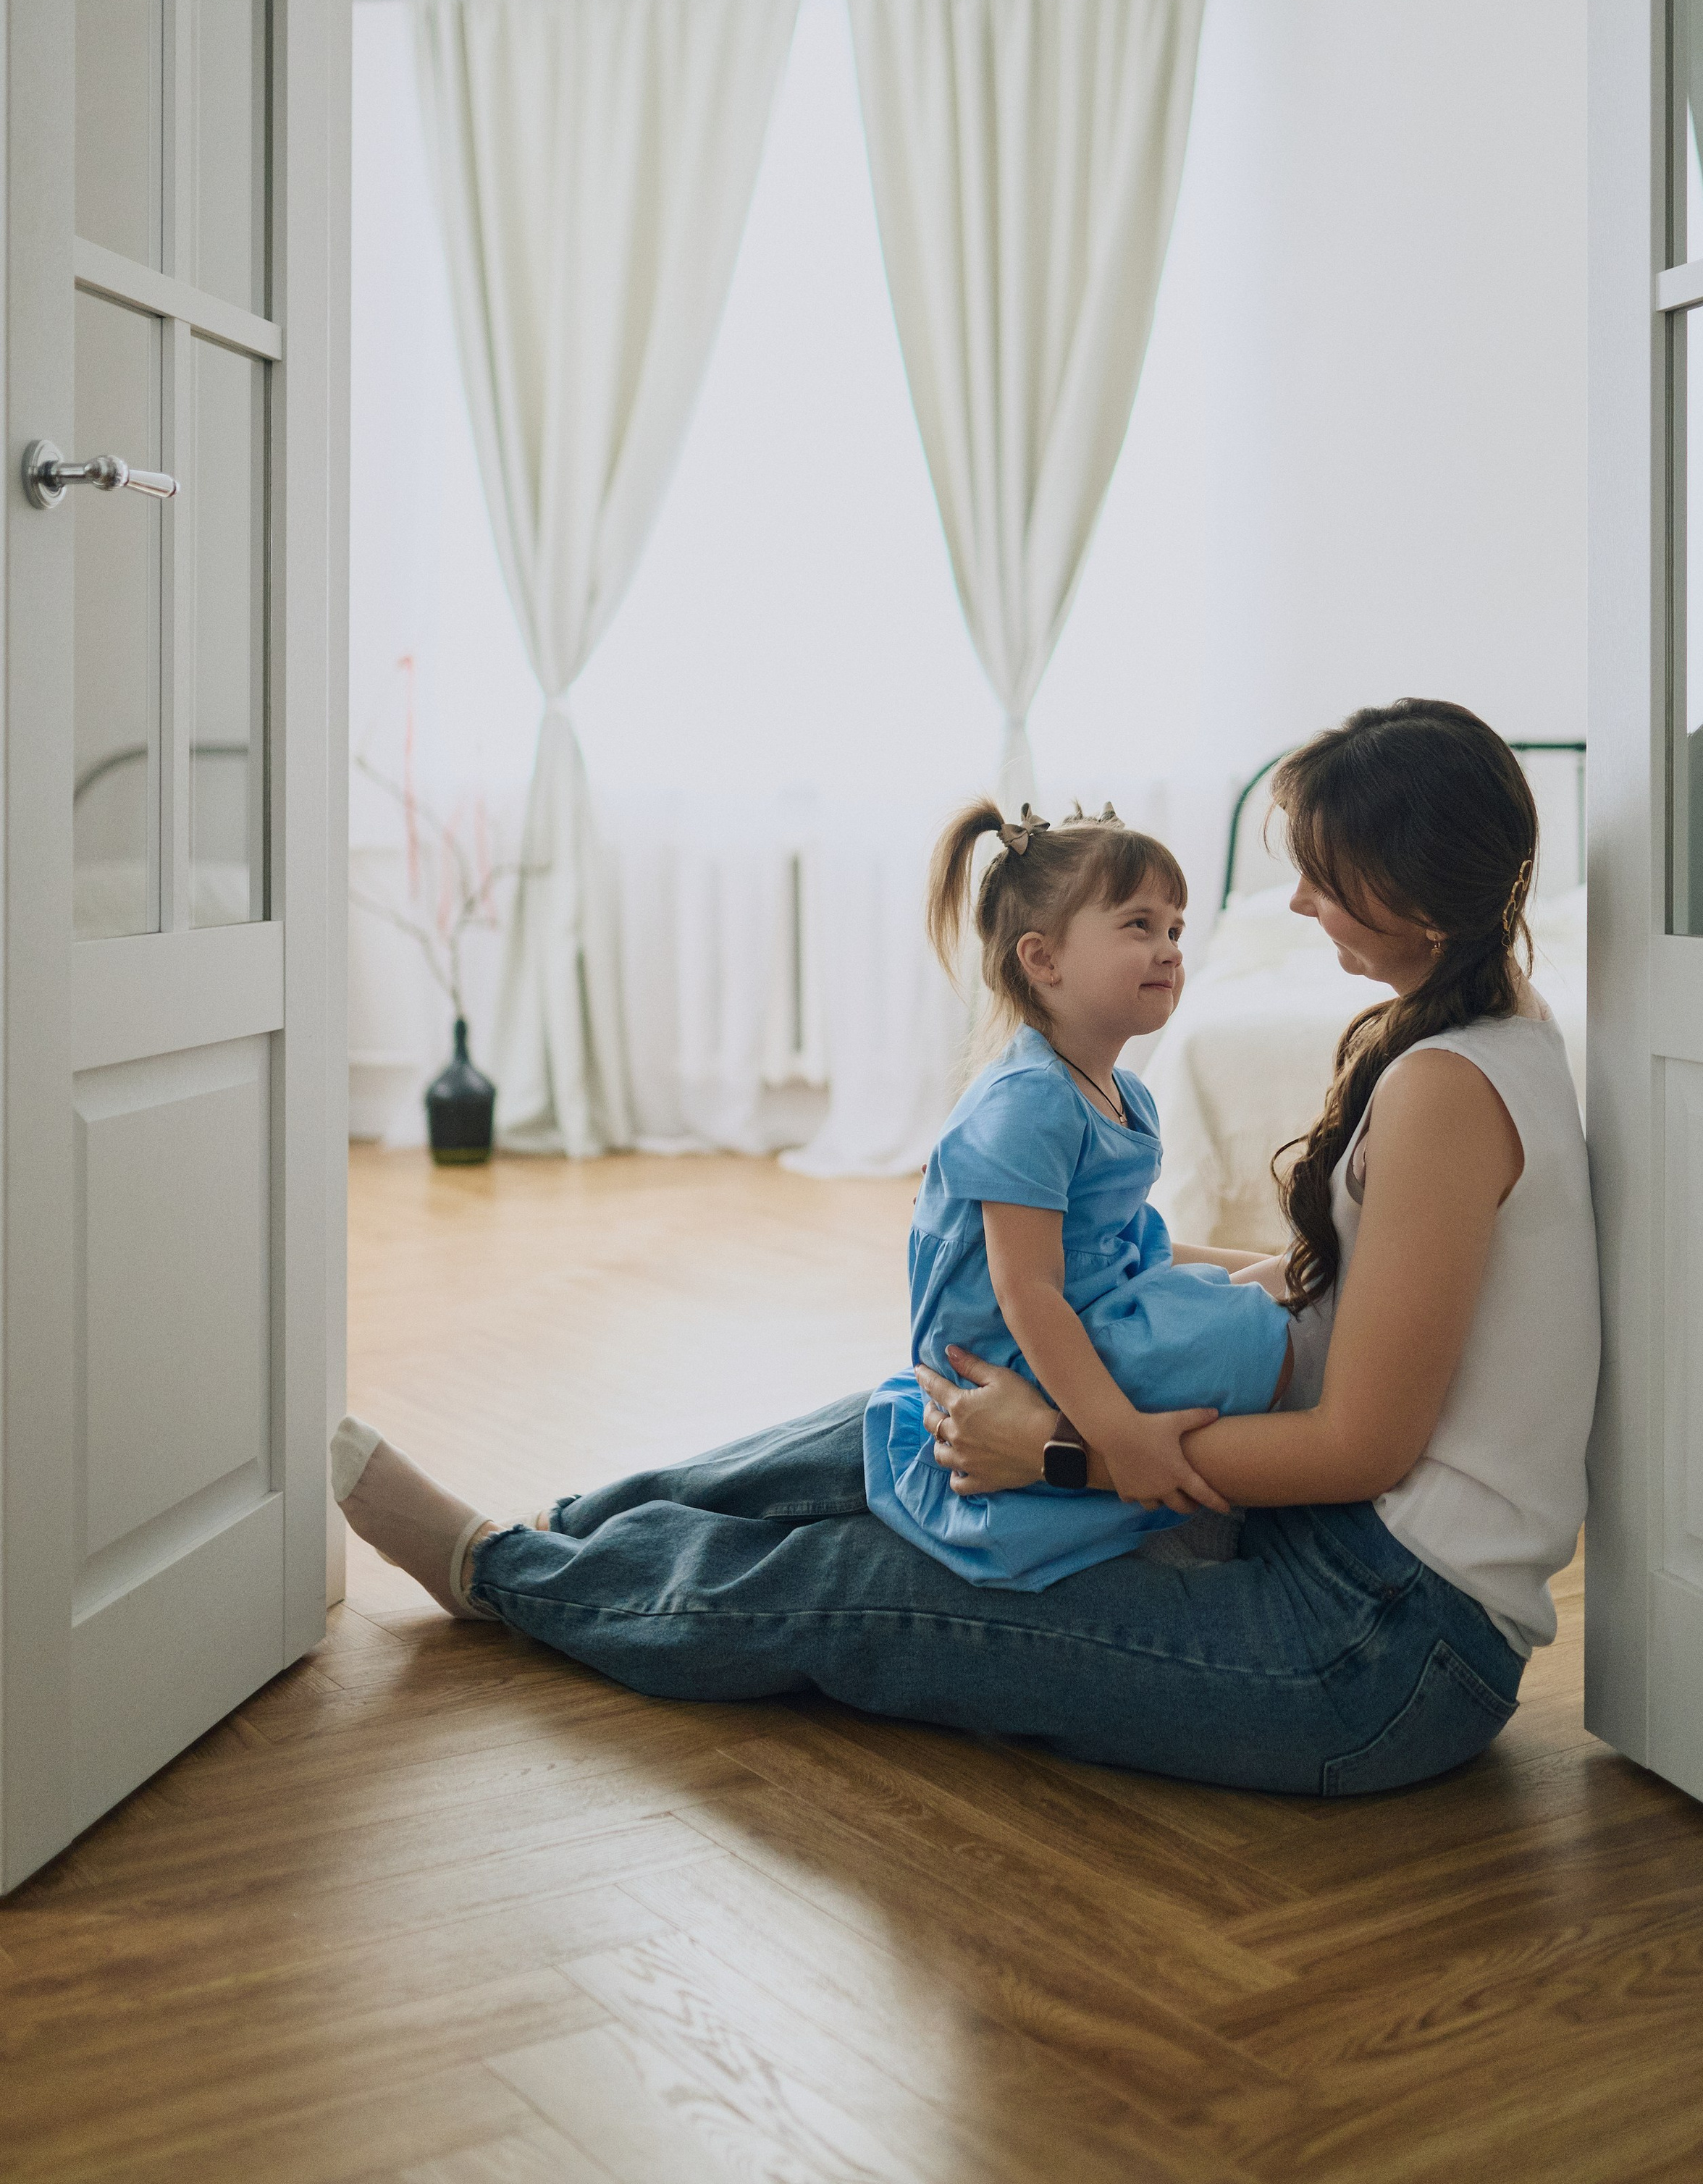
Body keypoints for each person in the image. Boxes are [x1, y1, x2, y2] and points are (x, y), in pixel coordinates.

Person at [332, 698, 1600, 1797]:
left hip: (1377, 1646)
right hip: (1344, 1563)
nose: (1301, 900)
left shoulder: (1450, 1086)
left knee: (849, 1591)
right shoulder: (1476, 1037)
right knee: (899, 1417)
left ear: (1419, 887)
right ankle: (567, 1529)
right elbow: (1376, 1316)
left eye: (1326, 871)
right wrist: (1180, 1316)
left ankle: (499, 1572)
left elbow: (1359, 1446)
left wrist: (1065, 1453)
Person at [862, 794, 1290, 1590]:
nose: (1168, 949)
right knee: (1238, 1338)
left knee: (1251, 1301)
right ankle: (1131, 1496)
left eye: (1175, 929)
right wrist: (1116, 1436)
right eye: (1138, 925)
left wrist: (1275, 1263)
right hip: (1009, 1361)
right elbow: (1027, 1293)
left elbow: (1135, 1243)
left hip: (1090, 1314)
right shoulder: (1028, 1100)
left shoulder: (1125, 1093)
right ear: (1043, 960)